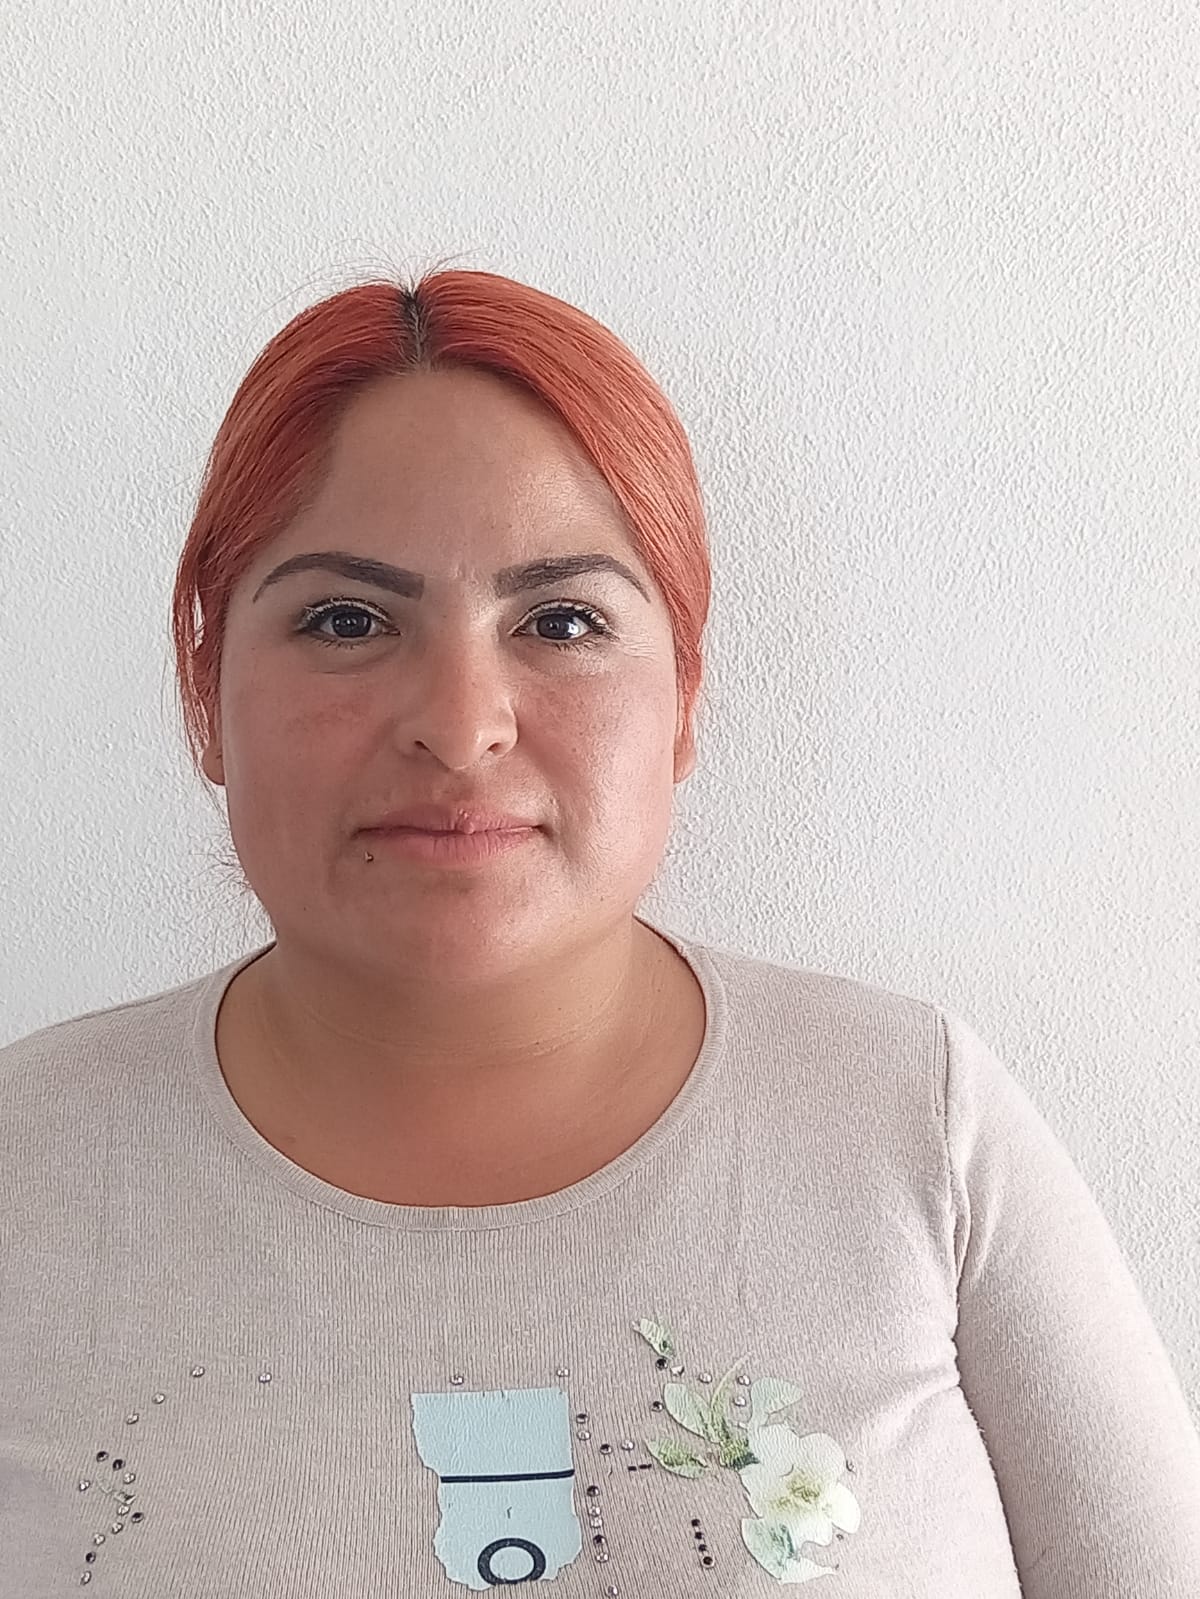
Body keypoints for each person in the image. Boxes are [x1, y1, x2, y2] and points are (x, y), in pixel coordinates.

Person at [2, 269, 1198, 1598]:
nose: (461, 725)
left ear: (684, 696)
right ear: (205, 686)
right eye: (346, 620)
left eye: (562, 621)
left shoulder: (916, 1122)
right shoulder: (26, 1170)